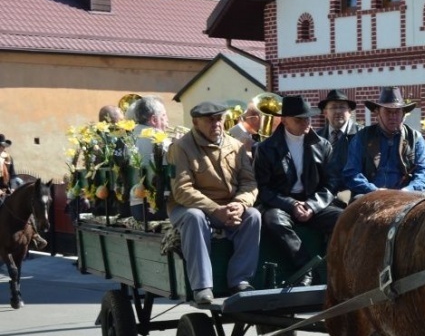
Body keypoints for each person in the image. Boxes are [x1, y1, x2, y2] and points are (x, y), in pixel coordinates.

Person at [167, 101, 261, 305]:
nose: (216, 124)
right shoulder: (181, 147)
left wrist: (240, 204)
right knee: (195, 217)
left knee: (253, 215)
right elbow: (182, 190)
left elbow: (249, 182)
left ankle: (240, 279)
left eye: (219, 119)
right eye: (209, 120)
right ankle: (202, 286)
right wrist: (214, 209)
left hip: (228, 208)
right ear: (195, 122)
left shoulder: (235, 145)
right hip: (190, 207)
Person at [254, 95, 341, 286]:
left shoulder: (322, 145)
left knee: (342, 218)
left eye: (308, 118)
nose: (305, 122)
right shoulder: (266, 148)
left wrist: (312, 205)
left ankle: (334, 268)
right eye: (298, 119)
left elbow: (331, 183)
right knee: (274, 220)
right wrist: (291, 204)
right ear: (284, 120)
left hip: (313, 202)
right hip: (281, 204)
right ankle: (306, 269)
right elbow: (263, 189)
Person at [342, 86, 425, 197]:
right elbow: (351, 173)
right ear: (377, 113)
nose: (393, 116)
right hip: (369, 196)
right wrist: (373, 191)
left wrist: (409, 190)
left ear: (403, 114)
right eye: (388, 112)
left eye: (397, 112)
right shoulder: (362, 137)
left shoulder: (415, 138)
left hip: (406, 197)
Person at [316, 89, 361, 202]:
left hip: (352, 193)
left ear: (350, 111)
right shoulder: (316, 138)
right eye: (333, 107)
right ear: (325, 113)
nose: (338, 111)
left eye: (342, 107)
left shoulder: (362, 135)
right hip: (322, 194)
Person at [130, 96, 170, 221]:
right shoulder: (160, 139)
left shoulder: (128, 139)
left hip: (135, 208)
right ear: (154, 120)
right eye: (164, 116)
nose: (167, 120)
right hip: (161, 208)